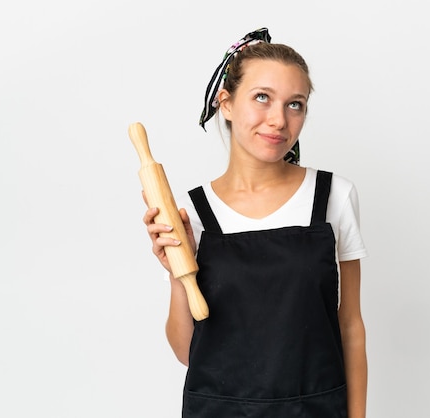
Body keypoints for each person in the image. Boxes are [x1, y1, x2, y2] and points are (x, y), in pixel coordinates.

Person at [143, 27, 368, 418]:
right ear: (226, 104)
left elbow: (350, 327)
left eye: (295, 104)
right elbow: (186, 352)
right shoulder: (190, 212)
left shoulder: (333, 197)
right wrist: (180, 277)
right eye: (262, 98)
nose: (279, 120)